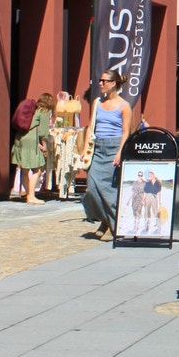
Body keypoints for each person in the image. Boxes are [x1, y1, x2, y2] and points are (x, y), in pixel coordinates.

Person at [82, 70, 134, 238]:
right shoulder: (97, 102)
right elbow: (90, 126)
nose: (101, 84)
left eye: (104, 81)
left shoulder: (124, 106)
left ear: (113, 84)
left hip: (114, 147)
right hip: (97, 148)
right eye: (100, 80)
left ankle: (114, 227)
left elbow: (126, 131)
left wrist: (120, 151)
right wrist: (84, 149)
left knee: (110, 191)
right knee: (92, 188)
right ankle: (106, 220)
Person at [12, 93, 54, 205]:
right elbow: (43, 132)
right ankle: (31, 196)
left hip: (21, 137)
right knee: (38, 169)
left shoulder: (34, 109)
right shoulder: (44, 111)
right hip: (31, 139)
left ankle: (28, 194)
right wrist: (44, 146)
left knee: (24, 168)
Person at [53, 91, 83, 199]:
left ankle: (68, 187)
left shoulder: (71, 107)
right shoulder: (64, 108)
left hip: (69, 137)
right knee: (65, 163)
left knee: (68, 163)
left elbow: (74, 123)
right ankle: (67, 187)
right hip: (65, 137)